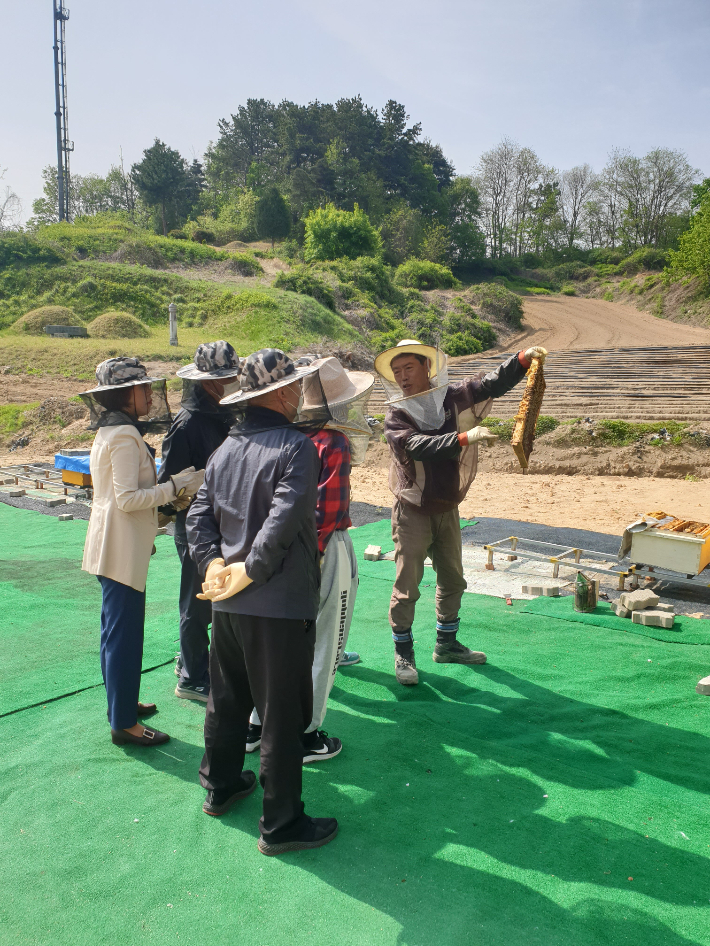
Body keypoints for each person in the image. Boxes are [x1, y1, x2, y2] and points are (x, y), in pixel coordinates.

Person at [186, 348, 338, 856]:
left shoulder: (225, 449)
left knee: (227, 701)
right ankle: (282, 824)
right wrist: (250, 571)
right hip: (277, 605)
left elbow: (198, 518)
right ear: (274, 393)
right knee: (280, 714)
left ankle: (221, 786)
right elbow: (286, 517)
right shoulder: (297, 447)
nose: (299, 394)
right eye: (293, 386)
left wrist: (214, 567)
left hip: (227, 605)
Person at [375, 339, 547, 686]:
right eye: (397, 371)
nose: (403, 376)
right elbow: (418, 446)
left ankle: (446, 644)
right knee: (407, 585)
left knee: (453, 579)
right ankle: (404, 653)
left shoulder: (452, 396)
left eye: (409, 368)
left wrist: (521, 359)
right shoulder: (396, 414)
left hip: (447, 509)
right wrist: (462, 439)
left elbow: (490, 383)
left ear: (427, 368)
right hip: (413, 511)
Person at [245, 356, 374, 760]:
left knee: (277, 644)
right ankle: (304, 733)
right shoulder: (330, 441)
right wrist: (312, 560)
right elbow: (327, 512)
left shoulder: (274, 436)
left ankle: (254, 724)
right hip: (321, 550)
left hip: (269, 549)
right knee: (323, 642)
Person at [80, 357, 204, 746]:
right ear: (126, 393)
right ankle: (124, 725)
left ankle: (121, 704)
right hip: (119, 550)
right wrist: (177, 486)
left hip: (116, 544)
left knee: (115, 631)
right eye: (144, 388)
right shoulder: (122, 436)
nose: (151, 395)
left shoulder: (115, 430)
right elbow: (128, 498)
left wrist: (163, 509)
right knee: (124, 636)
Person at [157, 341, 243, 704]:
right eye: (227, 378)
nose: (233, 383)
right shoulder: (187, 424)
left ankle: (189, 660)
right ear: (208, 383)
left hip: (225, 520)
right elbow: (169, 486)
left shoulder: (225, 414)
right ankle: (192, 678)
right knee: (197, 601)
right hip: (195, 527)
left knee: (217, 596)